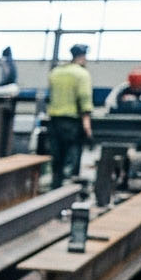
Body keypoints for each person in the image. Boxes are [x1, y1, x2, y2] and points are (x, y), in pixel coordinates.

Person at [43, 43, 93, 184]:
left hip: (54, 120)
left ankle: (55, 184)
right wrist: (87, 126)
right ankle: (68, 187)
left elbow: (50, 97)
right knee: (71, 157)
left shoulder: (55, 72)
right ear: (82, 56)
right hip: (72, 122)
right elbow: (84, 98)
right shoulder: (82, 74)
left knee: (57, 156)